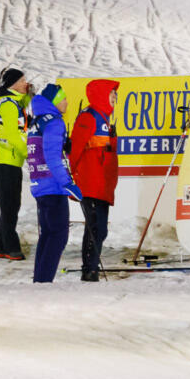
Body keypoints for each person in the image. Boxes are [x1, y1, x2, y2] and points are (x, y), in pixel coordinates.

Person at [25, 84, 79, 283]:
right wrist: (67, 183)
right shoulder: (55, 122)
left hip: (39, 184)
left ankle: (40, 279)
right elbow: (52, 156)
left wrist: (66, 148)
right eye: (63, 98)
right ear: (55, 102)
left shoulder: (38, 121)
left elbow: (45, 150)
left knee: (48, 234)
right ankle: (43, 281)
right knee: (58, 235)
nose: (66, 102)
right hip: (53, 185)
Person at [68, 79, 120, 281]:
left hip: (102, 183)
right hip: (91, 182)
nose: (115, 97)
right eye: (112, 93)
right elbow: (76, 149)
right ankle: (89, 270)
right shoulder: (88, 116)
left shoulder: (104, 118)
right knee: (96, 227)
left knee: (100, 229)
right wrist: (73, 176)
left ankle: (91, 267)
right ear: (101, 95)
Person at [0, 69, 30, 261]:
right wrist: (29, 154)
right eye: (22, 80)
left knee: (10, 205)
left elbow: (22, 111)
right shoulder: (8, 105)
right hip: (6, 160)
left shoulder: (12, 102)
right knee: (10, 206)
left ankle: (0, 246)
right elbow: (13, 135)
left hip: (9, 160)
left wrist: (28, 96)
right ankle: (11, 248)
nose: (25, 83)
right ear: (12, 84)